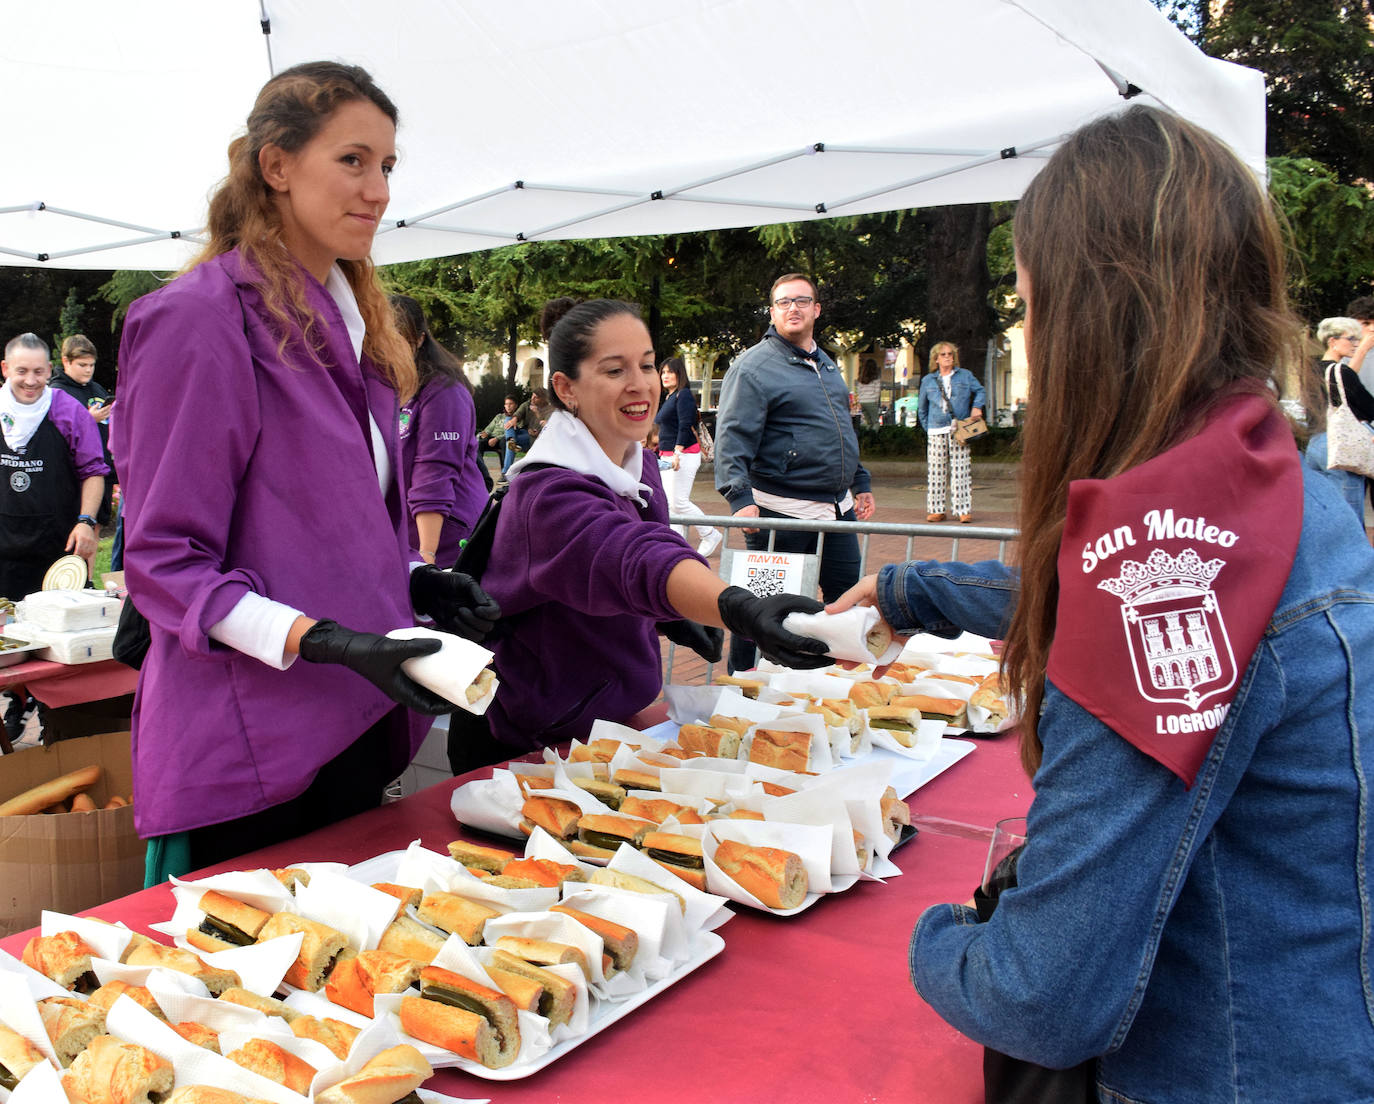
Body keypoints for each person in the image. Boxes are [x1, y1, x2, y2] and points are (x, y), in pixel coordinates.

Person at [830, 106, 1374, 1102]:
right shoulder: (1277, 483)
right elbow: (1095, 585)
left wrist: (927, 935)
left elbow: (1045, 990)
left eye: (1032, 305)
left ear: (1093, 312)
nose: (1030, 334)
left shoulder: (1171, 558)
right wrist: (921, 586)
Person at [111, 62, 498, 883]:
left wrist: (410, 581)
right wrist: (322, 640)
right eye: (353, 160)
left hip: (350, 727)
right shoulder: (198, 320)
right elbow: (163, 562)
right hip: (254, 752)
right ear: (276, 166)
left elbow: (316, 524)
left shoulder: (350, 324)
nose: (380, 189)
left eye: (388, 166)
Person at [446, 297, 829, 774]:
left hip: (602, 726)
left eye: (647, 364)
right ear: (566, 388)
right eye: (614, 370)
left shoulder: (638, 462)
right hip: (525, 743)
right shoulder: (548, 492)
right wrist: (740, 607)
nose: (641, 383)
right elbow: (629, 557)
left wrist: (673, 614)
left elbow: (624, 572)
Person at [713, 273, 876, 672]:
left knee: (845, 606)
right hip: (779, 515)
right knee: (765, 616)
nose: (793, 308)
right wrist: (740, 500)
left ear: (816, 310)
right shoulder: (753, 367)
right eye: (784, 302)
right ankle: (745, 688)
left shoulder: (827, 365)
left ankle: (836, 688)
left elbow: (841, 428)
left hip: (837, 514)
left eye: (802, 301)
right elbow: (732, 437)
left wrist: (860, 480)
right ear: (773, 312)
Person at [0, 333, 107, 600]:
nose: (31, 380)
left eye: (38, 371)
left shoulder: (70, 411)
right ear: (5, 369)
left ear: (49, 369)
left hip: (57, 543)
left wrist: (85, 521)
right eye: (21, 371)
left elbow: (93, 472)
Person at [392, 294, 489, 561]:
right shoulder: (384, 390)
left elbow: (435, 473)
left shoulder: (443, 392)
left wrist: (427, 555)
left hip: (446, 535)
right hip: (402, 535)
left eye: (394, 339)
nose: (383, 349)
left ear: (419, 339)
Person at [1298, 316, 1374, 524]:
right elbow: (1368, 407)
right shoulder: (1341, 371)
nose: (1355, 344)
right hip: (1339, 446)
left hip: (1315, 445)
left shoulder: (1309, 369)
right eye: (1351, 339)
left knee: (1323, 512)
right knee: (1349, 517)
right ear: (1332, 341)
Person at [653, 356, 721, 556]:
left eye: (670, 372)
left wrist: (677, 453)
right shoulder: (669, 396)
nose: (665, 376)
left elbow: (684, 425)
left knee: (679, 502)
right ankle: (677, 542)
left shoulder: (683, 396)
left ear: (679, 374)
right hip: (667, 456)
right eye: (663, 372)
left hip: (681, 455)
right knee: (670, 503)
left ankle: (709, 533)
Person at [50, 335, 116, 526]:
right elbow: (55, 435)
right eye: (82, 365)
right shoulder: (57, 393)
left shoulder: (96, 388)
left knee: (95, 526)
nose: (88, 370)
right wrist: (88, 420)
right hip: (74, 476)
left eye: (91, 365)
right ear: (66, 361)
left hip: (102, 469)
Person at [916, 341, 985, 523]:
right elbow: (922, 409)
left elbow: (980, 391)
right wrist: (928, 428)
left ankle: (963, 510)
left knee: (961, 470)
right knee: (936, 471)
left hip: (959, 429)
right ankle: (936, 509)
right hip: (936, 429)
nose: (947, 357)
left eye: (950, 354)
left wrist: (977, 407)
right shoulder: (928, 380)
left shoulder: (965, 376)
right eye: (943, 354)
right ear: (936, 359)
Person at [500, 389, 542, 476]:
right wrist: (514, 419)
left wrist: (537, 413)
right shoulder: (526, 405)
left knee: (509, 444)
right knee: (508, 419)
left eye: (536, 397)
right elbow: (518, 413)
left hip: (533, 436)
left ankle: (505, 472)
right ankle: (511, 440)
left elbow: (546, 426)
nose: (532, 399)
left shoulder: (547, 409)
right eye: (532, 396)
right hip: (521, 432)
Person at [478, 397, 516, 469]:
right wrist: (485, 433)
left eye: (511, 404)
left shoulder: (516, 418)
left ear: (516, 405)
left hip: (504, 440)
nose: (508, 406)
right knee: (480, 443)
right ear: (504, 406)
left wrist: (496, 439)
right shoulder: (499, 416)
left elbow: (513, 433)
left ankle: (504, 472)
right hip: (491, 439)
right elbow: (489, 429)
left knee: (505, 442)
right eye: (506, 404)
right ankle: (479, 470)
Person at [856, 357, 882, 427]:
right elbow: (877, 392)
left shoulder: (860, 379)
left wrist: (860, 401)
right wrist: (875, 402)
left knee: (869, 423)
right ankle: (873, 437)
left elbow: (858, 391)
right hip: (871, 401)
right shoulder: (876, 379)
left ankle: (867, 436)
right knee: (876, 423)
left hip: (862, 402)